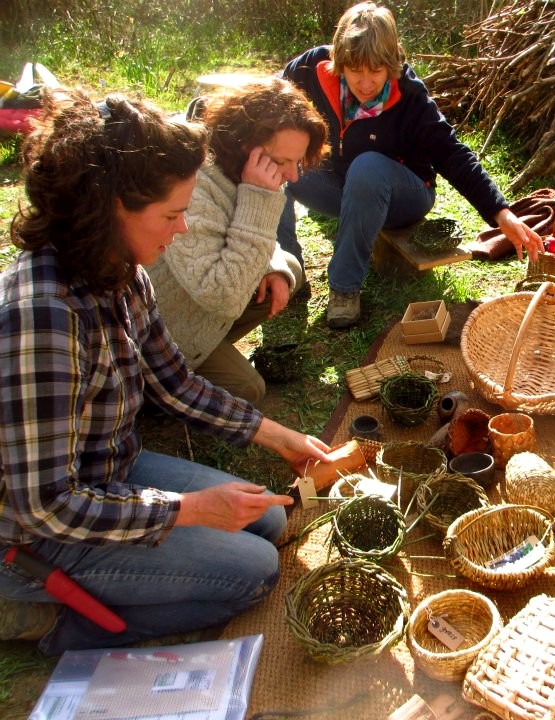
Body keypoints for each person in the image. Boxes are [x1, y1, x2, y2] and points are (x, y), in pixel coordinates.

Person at [0, 89, 332, 655]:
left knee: (269, 526)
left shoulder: (123, 270)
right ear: (108, 210)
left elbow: (175, 383)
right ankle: (43, 618)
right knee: (253, 570)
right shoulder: (41, 318)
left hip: (110, 469)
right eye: (172, 215)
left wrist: (279, 438)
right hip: (38, 536)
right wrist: (192, 511)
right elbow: (48, 505)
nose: (181, 231)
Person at [280, 1, 543, 329]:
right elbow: (267, 100)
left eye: (375, 71)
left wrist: (501, 213)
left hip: (405, 192)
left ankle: (345, 289)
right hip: (342, 185)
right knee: (275, 162)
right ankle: (287, 269)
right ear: (339, 62)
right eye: (356, 70)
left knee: (367, 167)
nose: (365, 83)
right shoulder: (309, 71)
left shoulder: (408, 93)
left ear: (390, 64)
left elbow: (451, 152)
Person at [146, 77, 329, 404]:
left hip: (208, 301)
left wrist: (273, 267)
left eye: (296, 161)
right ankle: (156, 388)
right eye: (282, 161)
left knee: (288, 269)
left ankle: (212, 342)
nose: (293, 175)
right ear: (243, 144)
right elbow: (223, 296)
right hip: (164, 331)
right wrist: (258, 200)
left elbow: (257, 236)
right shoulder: (194, 187)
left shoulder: (259, 169)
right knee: (248, 388)